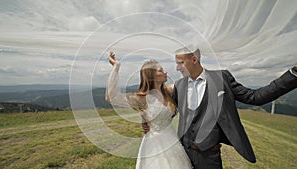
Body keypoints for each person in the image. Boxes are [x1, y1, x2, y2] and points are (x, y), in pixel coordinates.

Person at [169, 46, 297, 169]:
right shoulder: (179, 85)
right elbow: (169, 108)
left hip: (208, 156)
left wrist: (293, 74)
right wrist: (149, 122)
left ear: (194, 59)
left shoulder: (222, 78)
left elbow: (255, 97)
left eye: (180, 63)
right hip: (183, 152)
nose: (177, 68)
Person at [105, 51, 193, 169]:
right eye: (160, 70)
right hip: (153, 146)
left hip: (172, 141)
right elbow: (111, 97)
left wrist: (187, 58)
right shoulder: (142, 99)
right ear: (151, 75)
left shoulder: (168, 92)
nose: (165, 72)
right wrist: (116, 66)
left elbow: (187, 77)